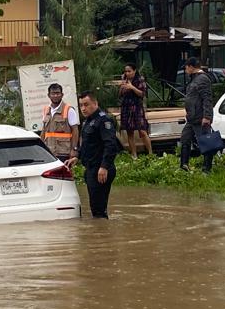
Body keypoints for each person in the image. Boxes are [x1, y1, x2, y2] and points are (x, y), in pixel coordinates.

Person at [67, 91, 119, 219]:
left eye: (86, 104)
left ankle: (102, 234)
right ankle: (101, 232)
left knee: (98, 209)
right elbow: (86, 145)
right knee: (95, 208)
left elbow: (111, 145)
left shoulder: (103, 120)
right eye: (81, 106)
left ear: (95, 103)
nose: (83, 108)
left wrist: (104, 166)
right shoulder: (87, 122)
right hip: (91, 169)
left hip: (100, 169)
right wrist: (77, 157)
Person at [179, 57, 215, 172]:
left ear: (191, 67)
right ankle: (184, 165)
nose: (185, 70)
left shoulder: (203, 79)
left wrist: (207, 116)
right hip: (192, 117)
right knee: (185, 139)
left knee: (206, 142)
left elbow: (207, 99)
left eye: (186, 67)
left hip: (200, 117)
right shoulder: (194, 79)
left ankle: (207, 169)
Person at [119, 64, 153, 158]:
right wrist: (122, 88)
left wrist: (132, 87)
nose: (127, 73)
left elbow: (142, 94)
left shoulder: (140, 80)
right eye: (126, 71)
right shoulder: (125, 80)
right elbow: (120, 95)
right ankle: (134, 155)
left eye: (129, 71)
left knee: (142, 130)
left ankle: (150, 153)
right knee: (130, 131)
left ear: (134, 71)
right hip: (126, 106)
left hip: (137, 107)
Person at [41, 83, 79, 163]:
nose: (55, 96)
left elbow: (75, 131)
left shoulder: (69, 110)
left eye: (58, 93)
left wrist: (74, 149)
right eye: (53, 93)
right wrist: (41, 148)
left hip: (64, 152)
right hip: (49, 152)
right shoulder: (46, 110)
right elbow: (44, 131)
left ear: (62, 95)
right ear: (49, 95)